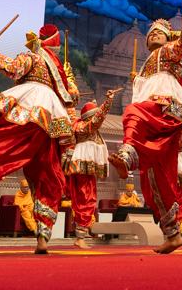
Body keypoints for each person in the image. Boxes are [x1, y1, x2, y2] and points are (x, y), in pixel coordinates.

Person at [0, 23, 77, 254]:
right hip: (53, 118)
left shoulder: (33, 57)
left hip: (33, 106)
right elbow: (72, 97)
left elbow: (11, 68)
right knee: (49, 175)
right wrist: (69, 77)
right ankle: (43, 237)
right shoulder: (58, 68)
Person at [109, 13, 182, 255]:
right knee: (156, 178)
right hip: (156, 114)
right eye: (151, 34)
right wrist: (138, 81)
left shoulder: (167, 51)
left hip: (165, 109)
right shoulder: (148, 63)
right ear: (147, 42)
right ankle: (173, 234)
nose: (154, 34)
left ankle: (127, 157)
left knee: (132, 112)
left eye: (160, 32)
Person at [66, 89, 118, 248]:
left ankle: (80, 235)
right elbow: (99, 118)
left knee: (83, 200)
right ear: (90, 117)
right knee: (86, 199)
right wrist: (108, 101)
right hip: (82, 168)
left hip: (80, 168)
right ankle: (80, 237)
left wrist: (70, 99)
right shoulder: (86, 127)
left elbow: (70, 111)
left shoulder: (77, 125)